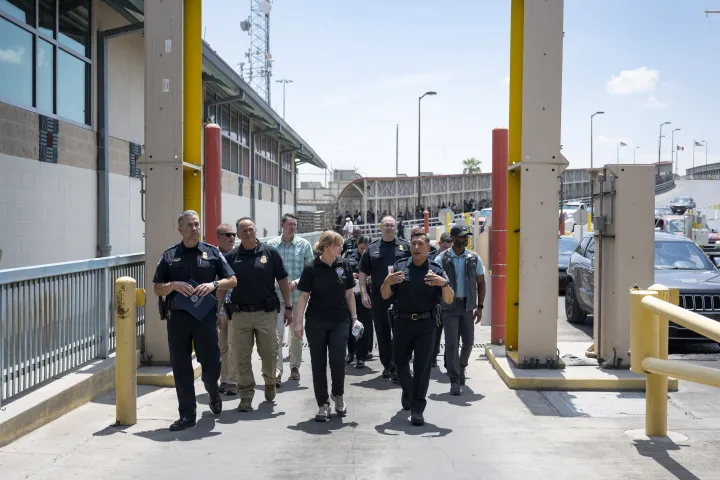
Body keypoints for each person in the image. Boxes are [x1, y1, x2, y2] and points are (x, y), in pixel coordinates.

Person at [152, 210, 237, 431]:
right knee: (181, 367)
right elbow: (156, 288)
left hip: (204, 318)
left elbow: (233, 279)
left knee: (211, 364)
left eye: (197, 224)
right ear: (180, 229)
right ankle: (187, 414)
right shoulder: (170, 255)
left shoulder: (212, 253)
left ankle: (212, 391)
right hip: (178, 318)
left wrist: (214, 285)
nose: (194, 228)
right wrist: (172, 285)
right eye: (189, 225)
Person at [381, 230, 454, 426]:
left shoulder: (436, 270)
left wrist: (444, 284)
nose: (415, 247)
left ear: (428, 247)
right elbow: (385, 295)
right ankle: (409, 391)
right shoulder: (399, 267)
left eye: (420, 244)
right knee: (400, 363)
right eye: (413, 244)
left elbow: (449, 298)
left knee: (422, 368)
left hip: (426, 325)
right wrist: (387, 281)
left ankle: (417, 408)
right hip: (402, 323)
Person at [220, 217, 293, 412]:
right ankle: (246, 395)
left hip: (265, 313)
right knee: (241, 357)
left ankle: (270, 381)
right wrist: (217, 312)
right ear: (238, 234)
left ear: (256, 230)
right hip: (240, 314)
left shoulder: (269, 253)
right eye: (243, 230)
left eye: (251, 229)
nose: (248, 232)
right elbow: (221, 286)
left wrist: (288, 307)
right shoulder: (232, 257)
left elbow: (284, 280)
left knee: (269, 353)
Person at [294, 230, 358, 422]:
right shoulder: (311, 267)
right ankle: (323, 404)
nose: (341, 248)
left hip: (340, 320)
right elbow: (303, 296)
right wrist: (299, 322)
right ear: (327, 246)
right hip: (316, 321)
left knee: (338, 361)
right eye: (338, 244)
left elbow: (349, 294)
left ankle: (337, 395)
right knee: (318, 363)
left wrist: (354, 318)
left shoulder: (344, 265)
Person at [359, 214, 411, 382]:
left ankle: (397, 365)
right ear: (380, 227)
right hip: (379, 297)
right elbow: (362, 272)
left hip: (401, 297)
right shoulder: (372, 249)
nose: (388, 227)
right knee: (382, 333)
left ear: (395, 227)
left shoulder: (405, 246)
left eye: (391, 224)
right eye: (385, 225)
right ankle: (387, 365)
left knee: (400, 332)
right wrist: (364, 292)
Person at [435, 225, 486, 395]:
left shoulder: (474, 258)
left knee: (469, 342)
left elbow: (481, 282)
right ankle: (454, 379)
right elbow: (433, 284)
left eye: (467, 237)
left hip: (467, 306)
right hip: (448, 306)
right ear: (454, 238)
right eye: (462, 236)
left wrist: (480, 307)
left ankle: (462, 366)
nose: (465, 239)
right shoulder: (441, 259)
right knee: (451, 344)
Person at [267, 213, 315, 386]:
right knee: (277, 335)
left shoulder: (304, 245)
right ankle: (277, 370)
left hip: (297, 298)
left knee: (296, 334)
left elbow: (310, 270)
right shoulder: (271, 245)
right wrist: (276, 282)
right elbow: (266, 270)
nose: (293, 227)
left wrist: (295, 282)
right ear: (282, 225)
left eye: (295, 225)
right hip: (276, 298)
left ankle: (295, 366)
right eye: (290, 224)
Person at [215, 223, 239, 395]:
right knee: (222, 346)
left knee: (233, 345)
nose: (232, 238)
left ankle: (233, 381)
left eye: (233, 235)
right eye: (228, 234)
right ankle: (223, 379)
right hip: (217, 310)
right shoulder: (211, 256)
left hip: (235, 308)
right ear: (219, 237)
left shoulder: (238, 256)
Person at [345, 235, 373, 368]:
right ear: (357, 245)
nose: (363, 251)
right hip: (351, 296)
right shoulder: (349, 255)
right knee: (351, 324)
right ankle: (351, 352)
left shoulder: (373, 256)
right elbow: (342, 270)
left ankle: (361, 356)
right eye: (361, 248)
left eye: (366, 249)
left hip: (366, 295)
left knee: (364, 325)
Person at [431, 232, 453, 367]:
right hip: (437, 300)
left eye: (449, 248)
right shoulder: (432, 258)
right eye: (445, 248)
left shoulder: (455, 257)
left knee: (451, 333)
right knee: (436, 330)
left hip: (450, 298)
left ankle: (448, 361)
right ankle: (433, 356)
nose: (447, 252)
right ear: (439, 244)